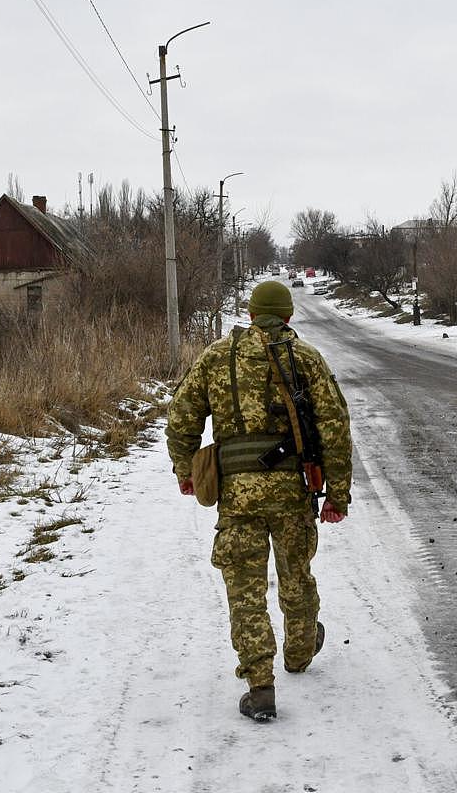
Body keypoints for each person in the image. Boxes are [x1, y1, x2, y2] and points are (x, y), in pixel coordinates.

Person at [166, 280, 352, 722]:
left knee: (244, 588)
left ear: (250, 314)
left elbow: (181, 417)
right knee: (296, 575)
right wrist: (337, 495)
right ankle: (300, 652)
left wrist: (184, 471)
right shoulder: (305, 357)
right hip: (292, 491)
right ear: (288, 316)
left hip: (237, 494)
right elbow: (335, 429)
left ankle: (260, 685)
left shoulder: (217, 356)